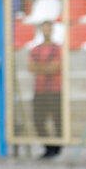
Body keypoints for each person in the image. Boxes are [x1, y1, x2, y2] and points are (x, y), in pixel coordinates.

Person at [28, 20, 63, 159]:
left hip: (54, 90)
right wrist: (46, 68)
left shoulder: (57, 49)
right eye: (43, 29)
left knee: (57, 121)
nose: (45, 32)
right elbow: (30, 67)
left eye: (48, 29)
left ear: (52, 31)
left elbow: (55, 67)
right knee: (38, 121)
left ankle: (57, 148)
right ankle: (48, 146)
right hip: (40, 90)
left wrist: (40, 68)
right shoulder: (36, 49)